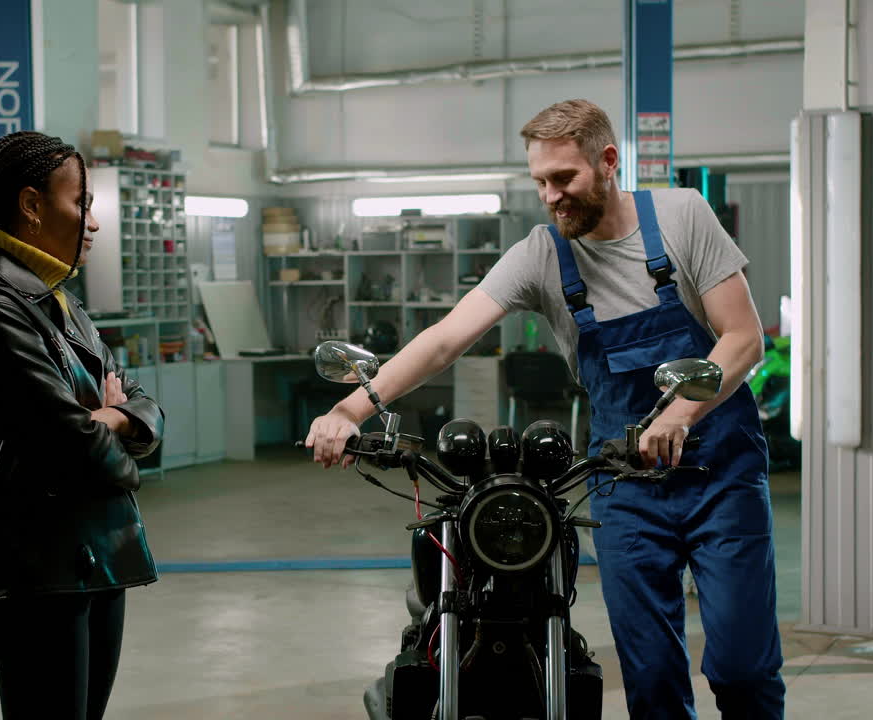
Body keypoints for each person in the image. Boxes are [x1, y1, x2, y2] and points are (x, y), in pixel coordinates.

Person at [305, 99, 783, 719]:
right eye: (540, 182)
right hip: (625, 481)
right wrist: (350, 409)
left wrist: (679, 414)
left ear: (607, 162)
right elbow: (447, 338)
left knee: (744, 670)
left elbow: (743, 339)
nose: (551, 196)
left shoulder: (681, 218)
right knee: (651, 676)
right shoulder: (542, 254)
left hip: (721, 474)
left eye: (565, 179)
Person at [0, 131, 165, 720]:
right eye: (80, 203)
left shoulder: (58, 302)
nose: (92, 223)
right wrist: (110, 424)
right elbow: (71, 443)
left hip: (94, 555)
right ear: (31, 206)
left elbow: (141, 402)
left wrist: (111, 416)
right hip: (35, 568)